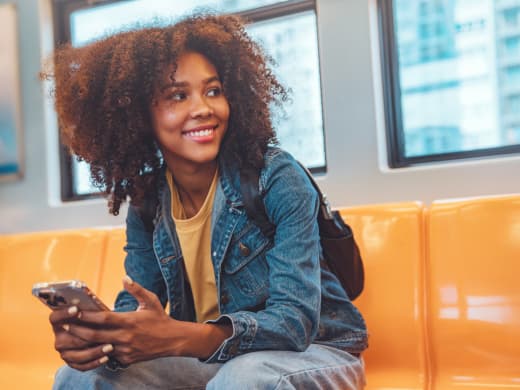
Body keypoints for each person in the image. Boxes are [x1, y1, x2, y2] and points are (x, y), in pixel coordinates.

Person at [44, 13, 368, 389]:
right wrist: (103, 338)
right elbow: (135, 306)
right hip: (214, 360)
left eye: (213, 91)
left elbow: (294, 323)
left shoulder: (276, 177)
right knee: (80, 378)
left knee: (245, 379)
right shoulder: (149, 203)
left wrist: (178, 337)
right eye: (178, 95)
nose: (203, 108)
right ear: (137, 115)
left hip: (315, 353)